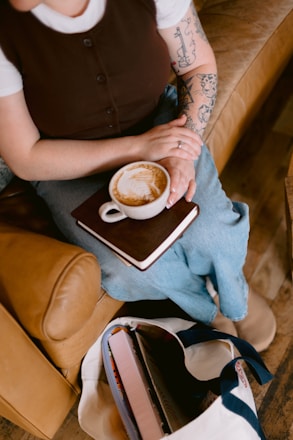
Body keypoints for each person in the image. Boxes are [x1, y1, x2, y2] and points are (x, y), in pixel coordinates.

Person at [0, 0, 276, 351]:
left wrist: (180, 152)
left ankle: (236, 294)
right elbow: (25, 158)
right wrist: (137, 148)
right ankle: (204, 308)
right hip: (65, 166)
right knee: (129, 267)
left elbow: (198, 65)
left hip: (159, 127)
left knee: (212, 233)